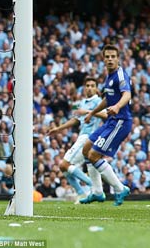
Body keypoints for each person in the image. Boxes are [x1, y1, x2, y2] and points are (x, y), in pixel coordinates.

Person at [80, 44, 132, 206]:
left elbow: (127, 94)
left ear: (118, 58)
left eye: (113, 56)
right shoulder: (108, 77)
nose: (110, 59)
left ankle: (119, 188)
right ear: (103, 59)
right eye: (107, 57)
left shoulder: (120, 75)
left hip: (120, 122)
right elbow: (106, 100)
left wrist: (117, 106)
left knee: (94, 155)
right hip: (111, 121)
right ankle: (97, 192)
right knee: (86, 150)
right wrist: (92, 112)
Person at [47, 77, 106, 203]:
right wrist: (58, 129)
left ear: (96, 88)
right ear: (84, 88)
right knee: (64, 168)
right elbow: (75, 120)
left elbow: (105, 115)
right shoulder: (82, 102)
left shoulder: (98, 101)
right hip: (82, 136)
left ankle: (94, 187)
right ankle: (81, 193)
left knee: (64, 164)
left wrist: (88, 111)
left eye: (92, 86)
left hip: (89, 137)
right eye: (87, 85)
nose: (89, 88)